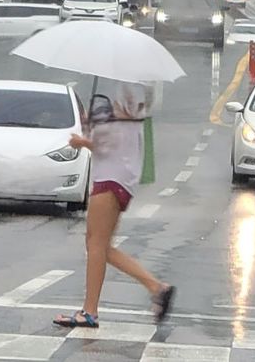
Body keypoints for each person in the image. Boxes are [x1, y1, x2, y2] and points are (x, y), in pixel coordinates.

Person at [54, 86, 175, 328]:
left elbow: (107, 145)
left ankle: (89, 312)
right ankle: (157, 288)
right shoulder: (134, 111)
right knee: (99, 245)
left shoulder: (126, 106)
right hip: (118, 179)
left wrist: (83, 141)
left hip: (110, 180)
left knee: (96, 245)